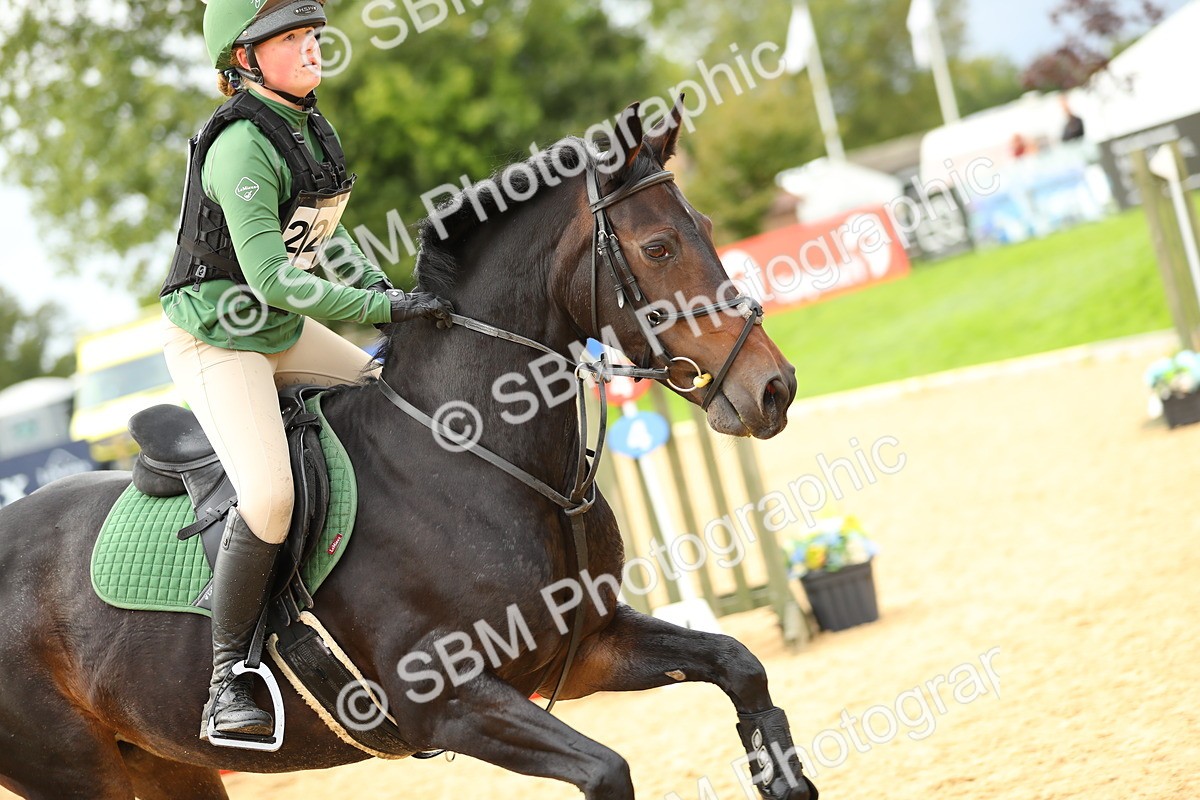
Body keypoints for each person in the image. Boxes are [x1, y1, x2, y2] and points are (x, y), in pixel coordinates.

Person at [159, 0, 452, 742]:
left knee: (400, 406)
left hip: (278, 332)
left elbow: (324, 237)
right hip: (217, 340)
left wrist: (384, 291)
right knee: (268, 500)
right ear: (245, 59)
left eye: (311, 34)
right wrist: (378, 309)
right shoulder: (239, 145)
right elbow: (271, 278)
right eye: (289, 38)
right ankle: (227, 681)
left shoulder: (307, 126)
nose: (311, 47)